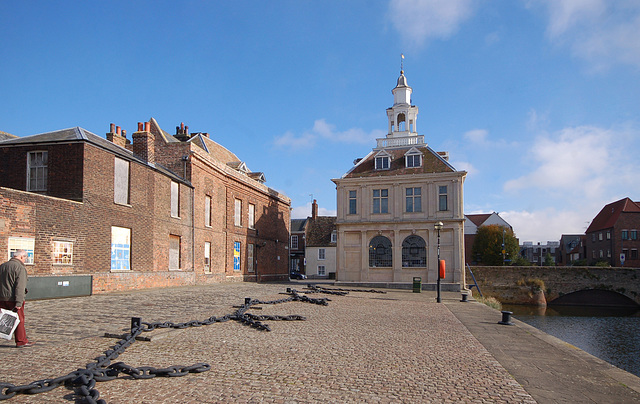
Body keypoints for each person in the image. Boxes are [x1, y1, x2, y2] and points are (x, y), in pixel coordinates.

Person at [0, 249, 33, 347]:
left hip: (2, 298)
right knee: (19, 319)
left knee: (2, 319)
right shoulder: (20, 268)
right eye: (25, 258)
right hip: (13, 298)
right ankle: (21, 341)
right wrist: (19, 302)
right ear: (22, 257)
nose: (25, 260)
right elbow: (20, 286)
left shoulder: (2, 266)